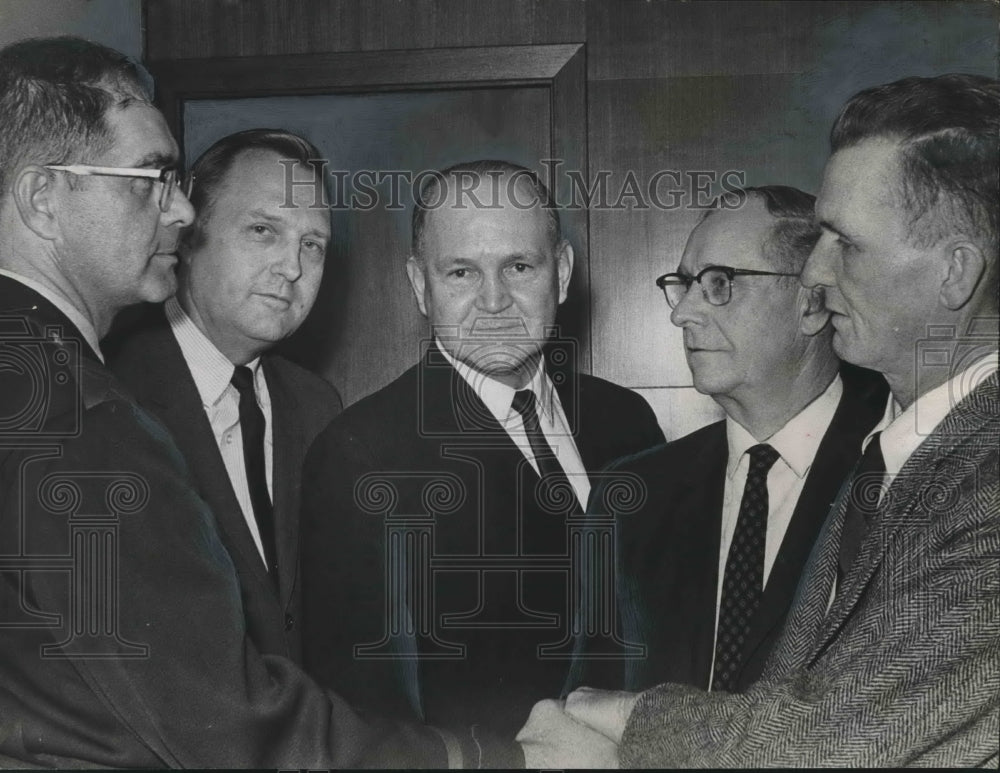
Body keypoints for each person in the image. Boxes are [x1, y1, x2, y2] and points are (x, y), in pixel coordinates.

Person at [0, 35, 493, 769]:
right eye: (150, 179)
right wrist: (479, 757)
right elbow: (222, 720)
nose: (176, 214)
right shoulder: (94, 410)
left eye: (315, 245)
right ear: (44, 198)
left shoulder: (316, 407)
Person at [518, 73, 999, 768]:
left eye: (845, 244)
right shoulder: (892, 453)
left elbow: (830, 737)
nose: (817, 273)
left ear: (956, 273)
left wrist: (619, 720)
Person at [300, 160, 666, 741]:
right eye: (462, 273)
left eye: (519, 266)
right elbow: (369, 715)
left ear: (562, 273)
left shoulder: (627, 421)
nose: (494, 302)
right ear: (421, 286)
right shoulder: (360, 456)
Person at [570, 186, 887, 696]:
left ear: (811, 302)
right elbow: (589, 701)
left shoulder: (902, 469)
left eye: (719, 282)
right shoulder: (631, 496)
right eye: (685, 285)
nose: (682, 314)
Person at [107, 130, 341, 663]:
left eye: (313, 244)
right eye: (263, 231)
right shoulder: (112, 391)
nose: (292, 268)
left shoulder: (317, 406)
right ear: (187, 237)